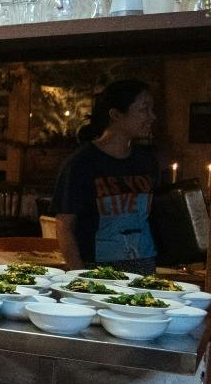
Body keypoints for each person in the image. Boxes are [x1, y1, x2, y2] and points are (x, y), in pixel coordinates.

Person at [51, 79, 160, 274]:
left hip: (144, 268)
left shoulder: (147, 161)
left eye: (152, 109)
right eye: (144, 109)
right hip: (98, 272)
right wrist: (80, 276)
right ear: (116, 114)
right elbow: (64, 226)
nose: (152, 116)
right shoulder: (81, 163)